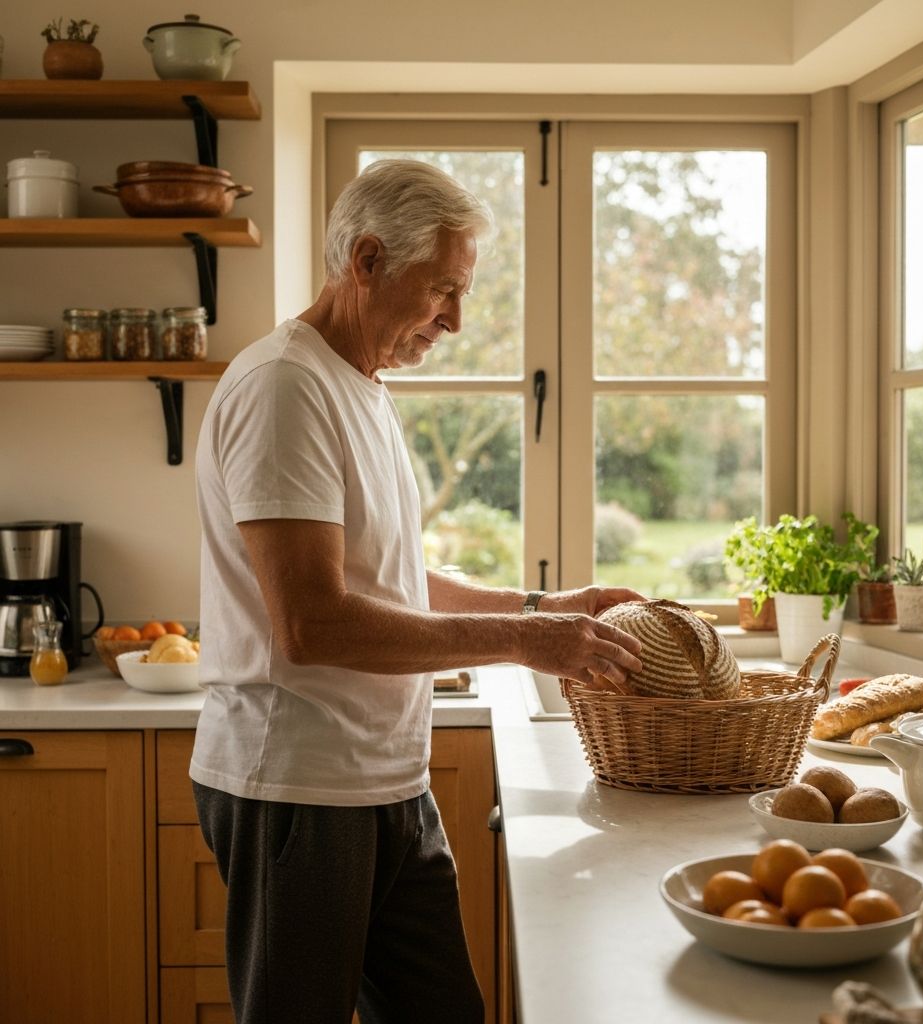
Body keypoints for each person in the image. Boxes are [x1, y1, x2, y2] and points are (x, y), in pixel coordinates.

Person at [190, 158, 645, 1024]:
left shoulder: (358, 385)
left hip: (384, 779)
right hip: (299, 784)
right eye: (443, 290)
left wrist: (543, 609)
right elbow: (312, 623)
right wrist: (522, 644)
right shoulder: (284, 386)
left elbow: (392, 582)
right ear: (366, 262)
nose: (457, 321)